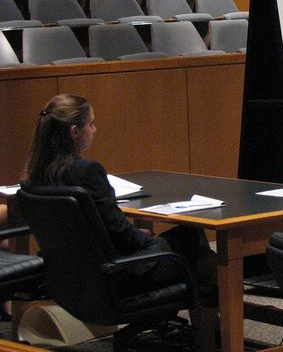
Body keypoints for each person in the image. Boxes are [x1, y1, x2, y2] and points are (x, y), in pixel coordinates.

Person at [23, 94, 216, 292]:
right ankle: (215, 319)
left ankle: (195, 316)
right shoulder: (87, 171)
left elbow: (96, 228)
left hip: (73, 274)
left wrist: (136, 235)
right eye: (91, 124)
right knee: (199, 247)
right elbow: (118, 232)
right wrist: (148, 239)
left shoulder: (34, 176)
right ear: (75, 131)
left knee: (196, 252)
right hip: (118, 274)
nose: (95, 130)